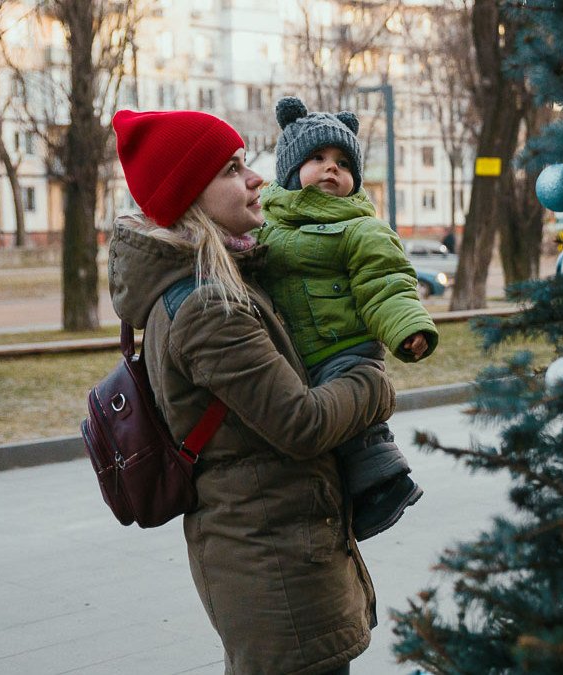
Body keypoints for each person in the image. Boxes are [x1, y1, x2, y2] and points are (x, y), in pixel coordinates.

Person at [109, 108, 393, 675]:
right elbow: (301, 423)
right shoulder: (209, 306)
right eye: (232, 169)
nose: (257, 178)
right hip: (274, 561)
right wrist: (373, 381)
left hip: (276, 543)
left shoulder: (215, 283)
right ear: (192, 194)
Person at [257, 96, 437, 541]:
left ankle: (386, 487)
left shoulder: (362, 228)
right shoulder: (267, 226)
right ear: (288, 171)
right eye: (316, 158)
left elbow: (387, 283)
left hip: (346, 347)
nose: (330, 169)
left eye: (342, 162)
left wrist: (407, 328)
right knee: (320, 433)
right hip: (298, 354)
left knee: (359, 430)